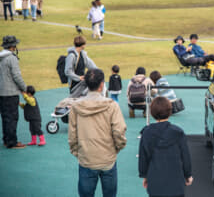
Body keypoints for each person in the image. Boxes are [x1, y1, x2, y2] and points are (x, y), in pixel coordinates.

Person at [69, 68, 127, 197]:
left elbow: (72, 134)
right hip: (108, 159)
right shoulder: (112, 105)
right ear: (102, 85)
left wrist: (77, 152)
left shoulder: (76, 106)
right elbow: (119, 131)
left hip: (86, 158)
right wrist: (117, 148)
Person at [139, 96, 193, 197]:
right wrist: (188, 175)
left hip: (155, 181)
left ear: (152, 112)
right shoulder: (178, 132)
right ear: (169, 112)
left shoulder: (146, 133)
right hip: (176, 183)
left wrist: (144, 175)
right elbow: (185, 156)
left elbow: (143, 157)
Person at [0, 35, 27, 149]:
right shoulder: (12, 58)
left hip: (1, 92)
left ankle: (6, 140)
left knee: (5, 118)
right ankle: (12, 142)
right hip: (10, 92)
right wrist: (24, 88)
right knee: (12, 118)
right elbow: (16, 76)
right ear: (12, 46)